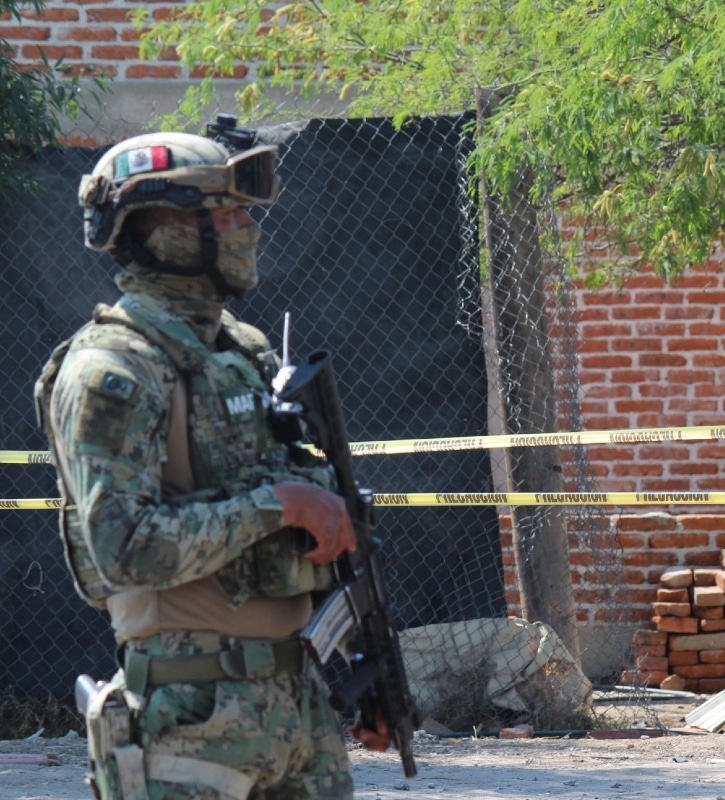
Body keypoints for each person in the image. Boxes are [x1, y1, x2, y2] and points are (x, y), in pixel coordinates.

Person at [34, 128, 389, 800]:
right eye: (224, 213)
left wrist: (362, 673)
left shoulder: (243, 353)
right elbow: (125, 550)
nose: (246, 227)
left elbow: (309, 532)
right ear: (162, 229)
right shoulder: (112, 367)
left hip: (300, 707)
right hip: (187, 720)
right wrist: (278, 505)